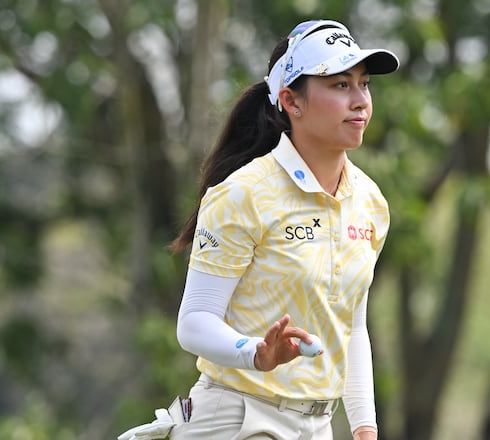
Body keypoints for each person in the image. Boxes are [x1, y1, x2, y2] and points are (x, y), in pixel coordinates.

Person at [168, 19, 399, 440]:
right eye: (340, 85)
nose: (360, 101)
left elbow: (352, 327)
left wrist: (365, 427)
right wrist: (256, 353)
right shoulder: (244, 194)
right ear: (292, 101)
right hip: (236, 418)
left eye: (364, 84)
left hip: (317, 425)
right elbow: (195, 322)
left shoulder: (370, 202)